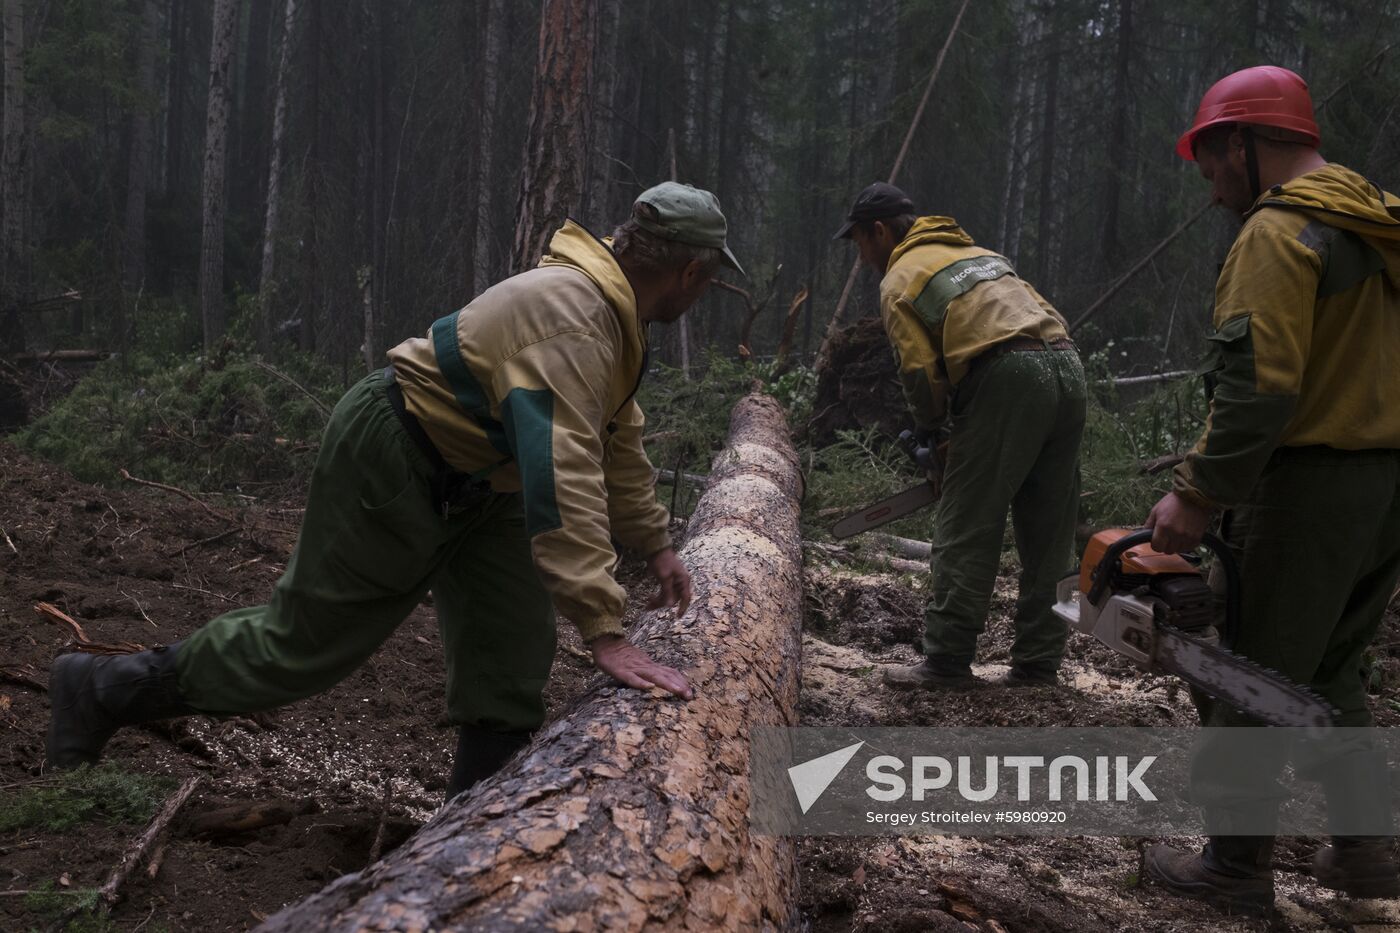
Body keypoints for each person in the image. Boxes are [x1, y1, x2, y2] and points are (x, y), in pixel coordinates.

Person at [47, 182, 744, 799]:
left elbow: (615, 439)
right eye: (708, 282)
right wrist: (605, 629)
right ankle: (102, 690)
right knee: (300, 648)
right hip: (398, 451)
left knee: (510, 659)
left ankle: (475, 835)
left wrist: (655, 544)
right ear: (689, 270)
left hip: (484, 483)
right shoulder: (574, 317)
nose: (703, 293)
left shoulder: (614, 321)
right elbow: (562, 477)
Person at [1140, 65, 1400, 912]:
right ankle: (1366, 851)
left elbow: (1259, 387)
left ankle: (1234, 865)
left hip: (1308, 489)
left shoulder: (1281, 234)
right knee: (1329, 665)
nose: (1216, 189)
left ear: (1247, 145)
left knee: (1244, 670)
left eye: (1216, 167)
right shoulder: (1377, 226)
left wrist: (1198, 493)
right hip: (1386, 489)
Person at [835, 182, 1087, 690]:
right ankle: (1039, 663)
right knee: (1051, 531)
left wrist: (933, 429)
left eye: (861, 242)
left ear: (879, 231)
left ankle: (946, 660)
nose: (862, 257)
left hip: (1009, 376)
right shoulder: (982, 255)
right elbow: (1047, 318)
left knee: (968, 523)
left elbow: (918, 370)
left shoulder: (900, 277)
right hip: (1067, 366)